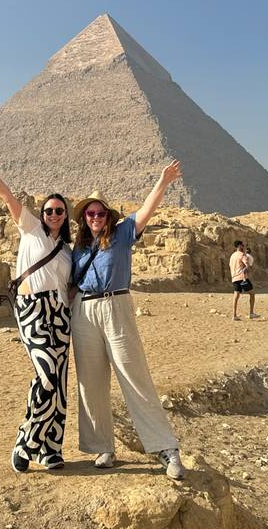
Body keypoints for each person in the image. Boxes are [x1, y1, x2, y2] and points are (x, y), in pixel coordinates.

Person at [70, 160, 185, 481]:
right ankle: (102, 447)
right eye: (90, 213)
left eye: (100, 213)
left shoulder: (122, 235)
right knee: (90, 382)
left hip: (116, 306)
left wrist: (163, 182)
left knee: (134, 375)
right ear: (84, 217)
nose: (95, 217)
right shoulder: (78, 248)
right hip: (83, 311)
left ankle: (166, 448)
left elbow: (147, 209)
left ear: (109, 216)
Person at [0, 148, 72, 473]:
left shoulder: (68, 251)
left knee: (59, 384)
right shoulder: (31, 229)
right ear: (42, 213)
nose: (53, 214)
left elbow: (71, 287)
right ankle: (26, 441)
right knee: (46, 376)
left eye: (59, 211)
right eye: (49, 210)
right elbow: (8, 198)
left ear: (66, 216)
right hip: (33, 310)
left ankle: (51, 449)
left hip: (60, 315)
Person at [230, 240, 260, 321]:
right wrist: (247, 269)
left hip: (234, 278)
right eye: (243, 245)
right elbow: (247, 266)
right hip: (242, 278)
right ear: (240, 246)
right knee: (252, 293)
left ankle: (234, 315)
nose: (244, 247)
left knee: (236, 296)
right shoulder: (242, 255)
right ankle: (251, 313)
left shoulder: (232, 256)